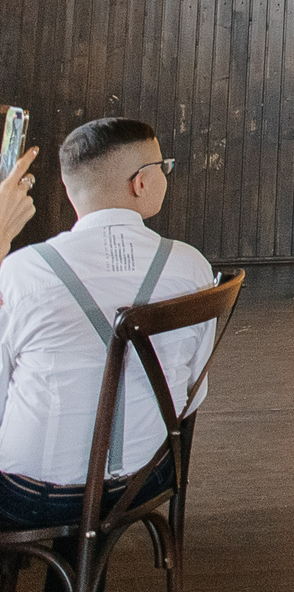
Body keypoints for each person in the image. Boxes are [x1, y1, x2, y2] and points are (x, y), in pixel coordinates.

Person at [0, 119, 216, 530]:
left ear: (69, 188)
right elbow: (194, 390)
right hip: (143, 480)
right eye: (162, 166)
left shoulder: (21, 271)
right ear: (141, 182)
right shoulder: (190, 266)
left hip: (31, 496)